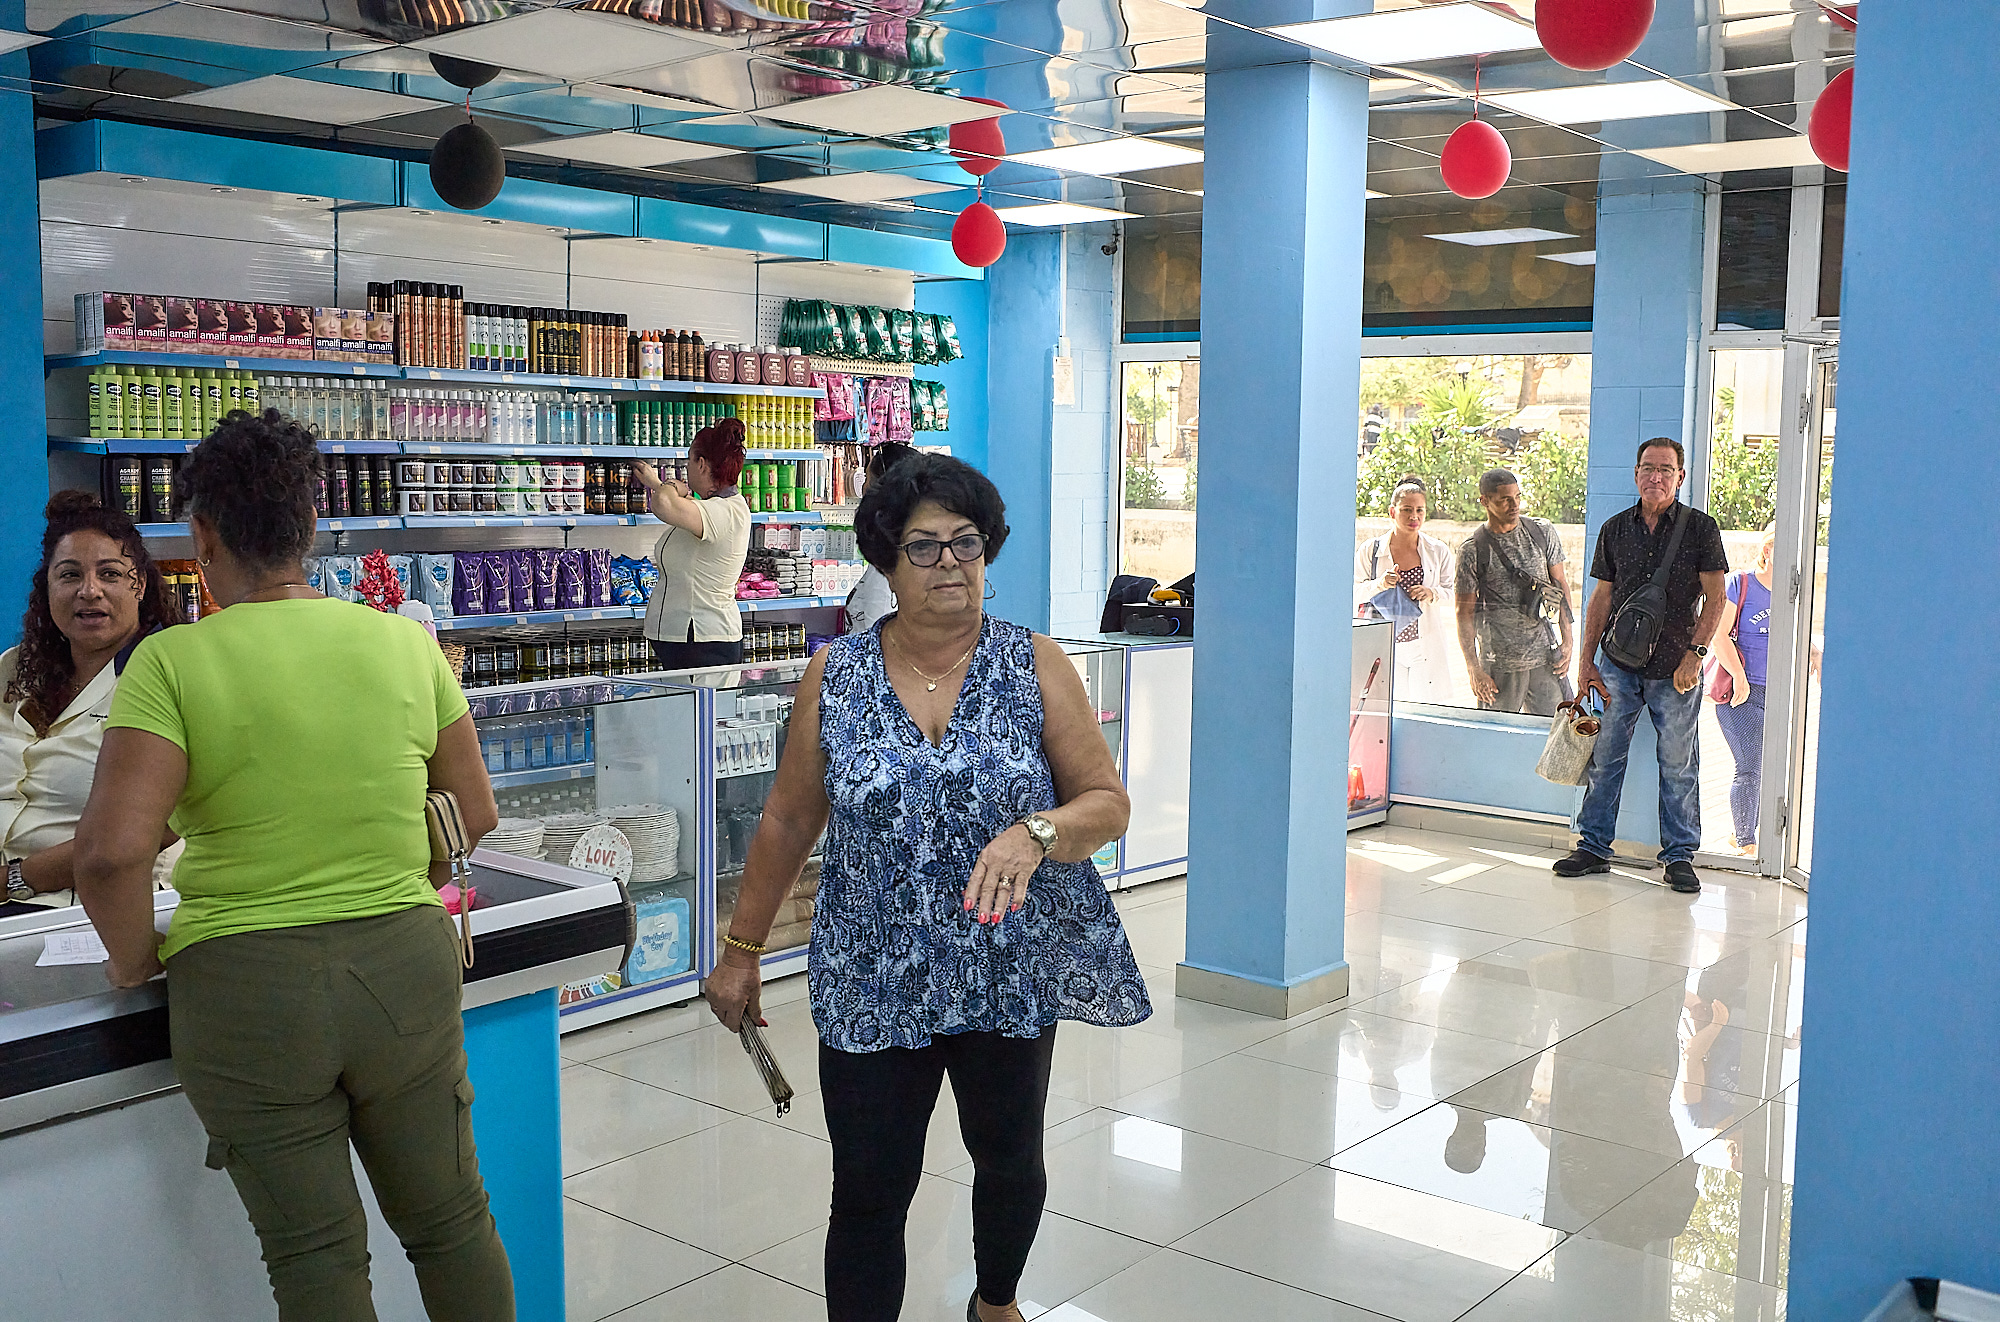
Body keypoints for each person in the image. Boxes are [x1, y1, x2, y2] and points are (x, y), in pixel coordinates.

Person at [73, 411, 515, 1322]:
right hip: (402, 965)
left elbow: (113, 853)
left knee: (315, 1257)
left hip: (244, 991)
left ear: (199, 537)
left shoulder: (168, 662)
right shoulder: (401, 642)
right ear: (310, 527)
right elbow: (474, 813)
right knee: (452, 1221)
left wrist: (132, 962)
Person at [702, 453, 1151, 1322]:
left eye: (967, 544)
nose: (951, 563)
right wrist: (741, 951)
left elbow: (1108, 802)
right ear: (885, 561)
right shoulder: (835, 676)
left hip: (1006, 967)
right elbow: (791, 822)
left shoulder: (1036, 664)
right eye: (926, 547)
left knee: (1009, 1157)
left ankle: (995, 1299)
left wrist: (1038, 832)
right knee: (869, 1185)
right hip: (873, 972)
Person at [1557, 438, 1730, 894]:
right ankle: (1593, 847)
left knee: (1677, 763)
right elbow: (1601, 599)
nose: (1656, 476)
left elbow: (1717, 598)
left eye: (1665, 469)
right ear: (1636, 474)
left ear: (1680, 477)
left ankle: (1678, 857)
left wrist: (1696, 654)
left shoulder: (1700, 529)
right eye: (1648, 468)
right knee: (1605, 757)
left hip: (1677, 667)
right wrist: (1586, 662)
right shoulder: (1615, 528)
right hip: (1616, 664)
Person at [0, 492, 181, 912]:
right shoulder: (13, 668)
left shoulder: (169, 677)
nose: (89, 591)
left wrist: (16, 878)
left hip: (92, 909)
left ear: (140, 585)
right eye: (68, 575)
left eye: (110, 574)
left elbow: (160, 827)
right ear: (46, 588)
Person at [635, 416, 752, 670]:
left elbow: (665, 504)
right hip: (688, 641)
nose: (686, 468)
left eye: (688, 461)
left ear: (701, 464)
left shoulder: (725, 511)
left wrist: (668, 485)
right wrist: (657, 483)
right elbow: (683, 505)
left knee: (701, 710)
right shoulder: (711, 508)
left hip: (704, 640)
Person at [1455, 468, 1574, 716]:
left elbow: (1560, 584)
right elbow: (1464, 613)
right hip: (1499, 665)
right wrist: (1474, 669)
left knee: (1553, 736)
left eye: (1517, 497)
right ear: (1485, 501)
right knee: (1495, 740)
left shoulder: (1542, 532)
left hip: (1545, 658)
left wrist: (1568, 639)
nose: (1514, 505)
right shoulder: (1473, 550)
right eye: (1505, 500)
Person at [1353, 475, 1455, 703]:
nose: (1414, 516)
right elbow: (1354, 593)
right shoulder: (1371, 550)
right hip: (1386, 645)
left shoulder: (1437, 551)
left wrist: (1431, 593)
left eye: (1420, 510)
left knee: (1425, 708)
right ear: (1392, 512)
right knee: (1390, 711)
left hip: (1423, 645)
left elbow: (1452, 595)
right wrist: (1380, 584)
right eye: (1407, 509)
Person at [1709, 524, 1778, 857]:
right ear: (1768, 550)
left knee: (1769, 768)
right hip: (1742, 693)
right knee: (1750, 765)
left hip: (1778, 693)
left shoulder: (1792, 592)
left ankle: (1746, 836)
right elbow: (1719, 635)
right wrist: (1739, 675)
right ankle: (1747, 844)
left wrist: (1815, 652)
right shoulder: (1742, 583)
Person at [844, 441, 918, 636]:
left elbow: (876, 638)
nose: (864, 487)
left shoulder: (893, 564)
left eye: (868, 478)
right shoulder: (889, 553)